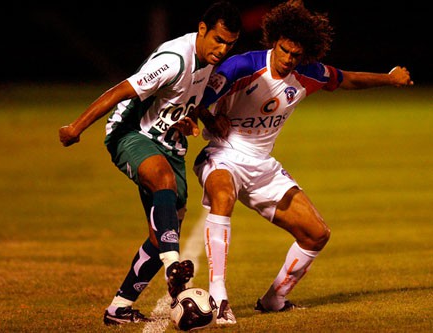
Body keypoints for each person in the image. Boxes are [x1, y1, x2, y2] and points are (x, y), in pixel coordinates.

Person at [192, 0, 413, 325]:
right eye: (283, 50)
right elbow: (196, 98)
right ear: (273, 41)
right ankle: (217, 295)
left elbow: (347, 79)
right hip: (223, 153)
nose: (287, 59)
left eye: (295, 54)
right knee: (223, 199)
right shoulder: (242, 66)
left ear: (305, 54)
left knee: (316, 234)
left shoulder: (309, 73)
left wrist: (389, 78)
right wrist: (209, 121)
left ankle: (274, 299)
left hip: (261, 165)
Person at [59, 1, 241, 326]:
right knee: (163, 180)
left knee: (163, 229)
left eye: (229, 43)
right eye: (218, 40)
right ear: (202, 29)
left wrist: (203, 120)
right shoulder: (174, 59)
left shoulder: (208, 63)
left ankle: (119, 308)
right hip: (130, 134)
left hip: (171, 145)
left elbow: (188, 101)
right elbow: (120, 90)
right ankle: (174, 265)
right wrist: (76, 127)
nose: (223, 49)